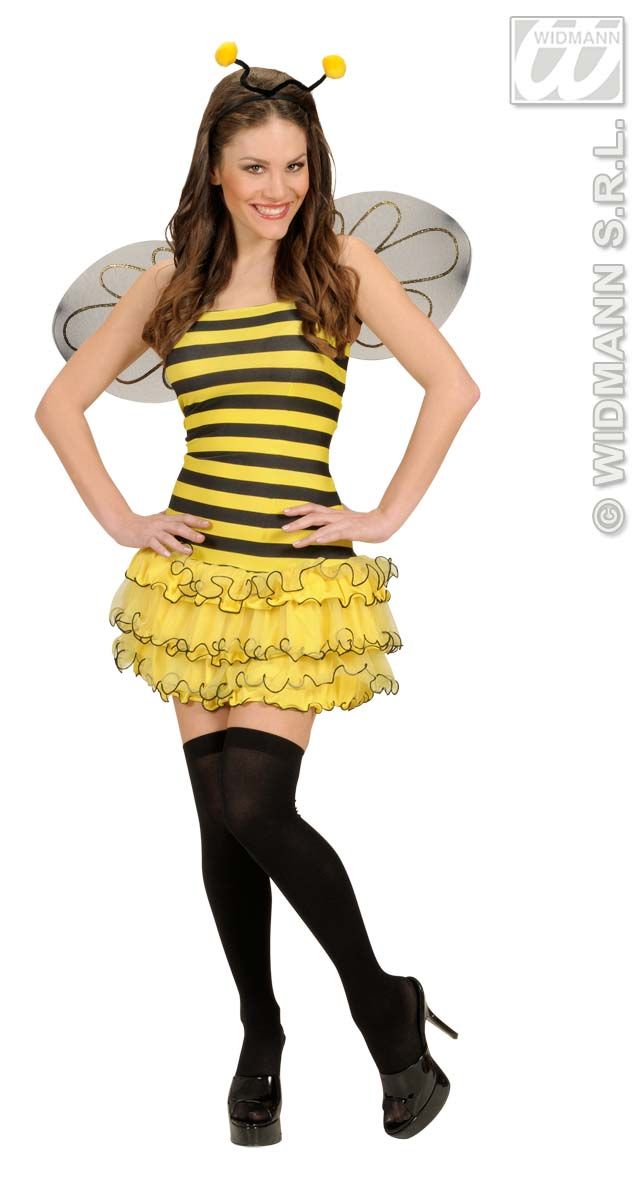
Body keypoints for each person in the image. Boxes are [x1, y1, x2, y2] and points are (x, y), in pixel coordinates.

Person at [35, 44, 479, 1145]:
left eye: (294, 165)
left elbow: (452, 384)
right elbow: (59, 405)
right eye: (255, 167)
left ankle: (383, 1003)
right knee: (219, 822)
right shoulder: (173, 280)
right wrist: (125, 520)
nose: (277, 188)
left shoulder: (337, 263)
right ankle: (260, 1030)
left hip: (293, 583)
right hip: (193, 578)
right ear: (216, 170)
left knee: (255, 805)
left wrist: (382, 513)